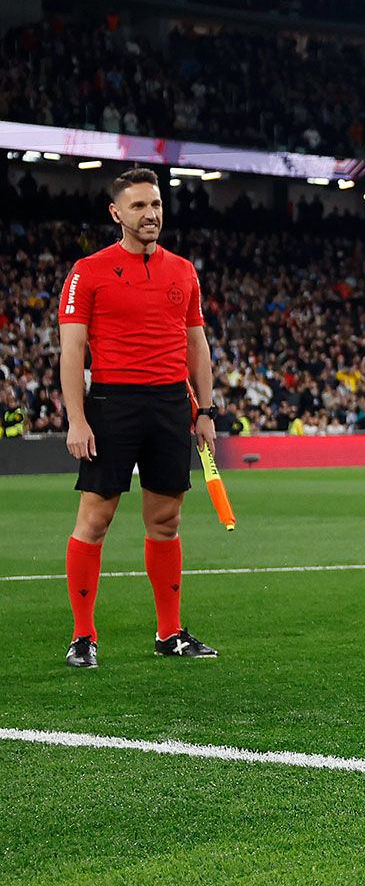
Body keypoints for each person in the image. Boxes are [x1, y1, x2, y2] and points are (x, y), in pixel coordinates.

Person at [58, 167, 220, 668]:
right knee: (96, 517)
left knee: (166, 521)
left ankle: (169, 633)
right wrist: (77, 419)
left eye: (155, 205)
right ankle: (83, 636)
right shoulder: (88, 270)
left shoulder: (183, 270)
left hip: (171, 403)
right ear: (116, 213)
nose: (150, 215)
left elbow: (196, 342)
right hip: (112, 404)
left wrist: (207, 410)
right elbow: (71, 352)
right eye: (138, 207)